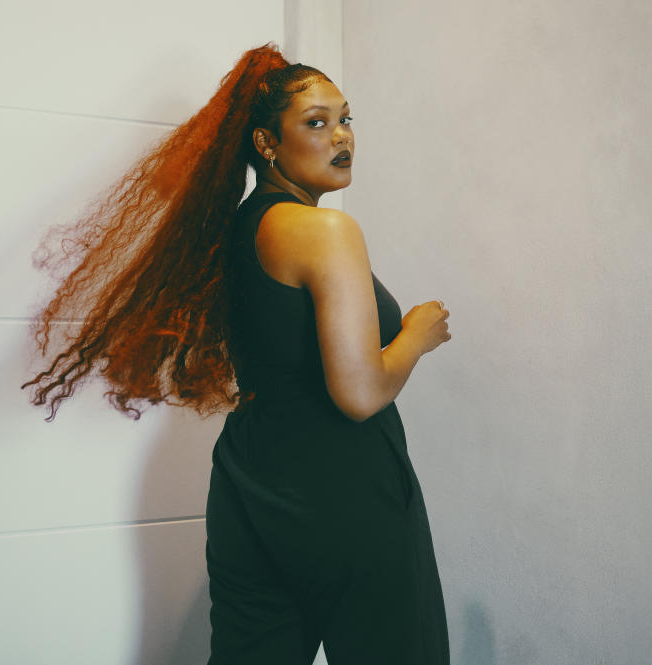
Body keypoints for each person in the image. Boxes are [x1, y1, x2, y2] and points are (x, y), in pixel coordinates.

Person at [22, 43, 451, 664]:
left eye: (346, 119)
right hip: (346, 493)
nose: (341, 137)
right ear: (266, 143)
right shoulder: (325, 231)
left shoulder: (243, 228)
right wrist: (417, 332)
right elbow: (358, 395)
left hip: (250, 488)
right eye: (316, 122)